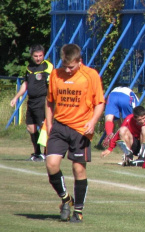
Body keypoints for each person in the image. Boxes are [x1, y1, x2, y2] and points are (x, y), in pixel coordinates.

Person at [45, 43, 105, 223]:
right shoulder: (56, 74)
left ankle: (78, 211)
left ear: (80, 61)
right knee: (51, 165)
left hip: (80, 129)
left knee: (78, 168)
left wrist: (93, 122)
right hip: (59, 127)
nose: (68, 70)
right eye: (65, 66)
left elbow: (100, 103)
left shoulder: (90, 75)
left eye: (71, 66)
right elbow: (49, 102)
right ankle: (66, 199)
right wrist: (49, 125)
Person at [10, 44, 53, 162]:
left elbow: (51, 86)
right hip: (31, 101)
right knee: (31, 127)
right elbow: (26, 84)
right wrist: (16, 97)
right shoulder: (29, 68)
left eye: (40, 56)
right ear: (32, 56)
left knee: (44, 127)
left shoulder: (48, 67)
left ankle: (46, 153)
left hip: (42, 101)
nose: (38, 58)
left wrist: (50, 102)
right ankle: (37, 153)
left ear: (43, 55)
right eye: (36, 56)